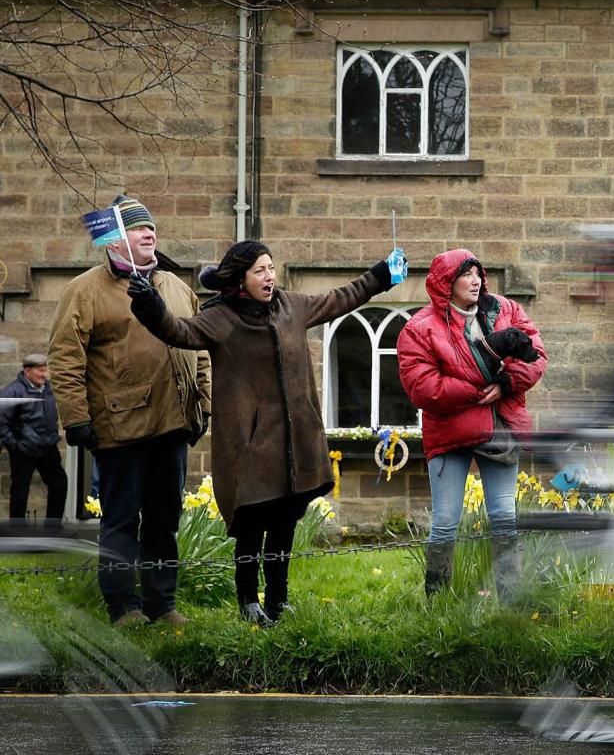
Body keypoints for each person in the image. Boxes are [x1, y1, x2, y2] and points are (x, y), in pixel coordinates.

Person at [127, 240, 402, 626]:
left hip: (296, 440)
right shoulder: (221, 318)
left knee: (286, 522)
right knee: (253, 526)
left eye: (271, 268)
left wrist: (382, 275)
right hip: (251, 444)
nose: (269, 276)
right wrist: (149, 308)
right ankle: (247, 602)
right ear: (240, 279)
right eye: (259, 270)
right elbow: (177, 331)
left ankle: (277, 599)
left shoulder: (291, 306)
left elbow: (342, 298)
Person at [48, 194, 211, 628]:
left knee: (164, 519)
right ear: (114, 242)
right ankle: (124, 606)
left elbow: (201, 346)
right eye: (137, 228)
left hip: (173, 424)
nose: (149, 233)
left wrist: (204, 403)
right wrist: (76, 418)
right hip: (119, 428)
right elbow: (65, 359)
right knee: (121, 520)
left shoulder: (175, 287)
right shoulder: (83, 291)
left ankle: (163, 604)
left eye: (151, 226)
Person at [396, 249, 546, 602]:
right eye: (466, 275)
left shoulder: (506, 310)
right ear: (447, 283)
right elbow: (423, 387)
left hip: (500, 427)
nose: (476, 280)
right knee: (446, 521)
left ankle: (511, 603)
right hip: (450, 433)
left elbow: (537, 355)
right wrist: (480, 387)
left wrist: (507, 383)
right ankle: (438, 601)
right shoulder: (419, 329)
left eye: (478, 273)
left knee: (504, 518)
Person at [0, 353, 68, 528]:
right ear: (27, 371)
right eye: (40, 371)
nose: (44, 375)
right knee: (20, 490)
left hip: (47, 446)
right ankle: (17, 530)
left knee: (59, 483)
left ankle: (53, 528)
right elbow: (1, 422)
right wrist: (14, 445)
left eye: (45, 370)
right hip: (24, 449)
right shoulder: (12, 391)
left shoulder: (49, 388)